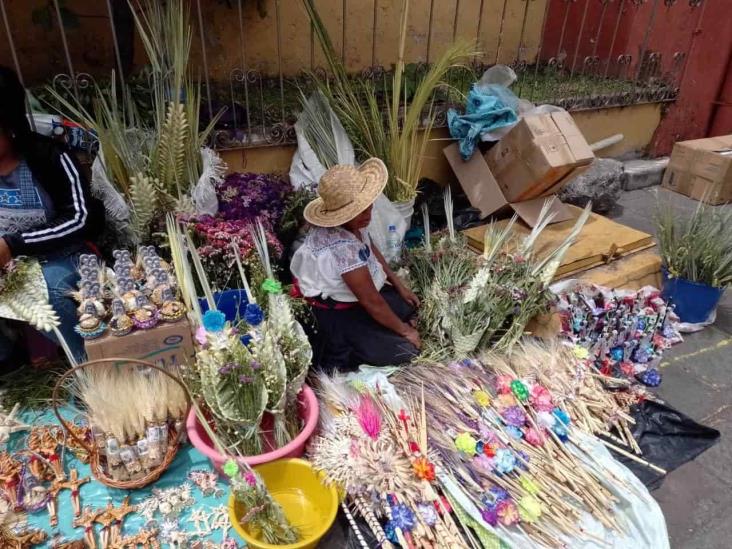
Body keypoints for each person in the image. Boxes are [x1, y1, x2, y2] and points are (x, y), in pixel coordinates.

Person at [0, 66, 104, 368]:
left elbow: (79, 218)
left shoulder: (50, 158)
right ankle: (8, 362)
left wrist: (13, 244)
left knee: (52, 292)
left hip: (62, 255)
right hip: (8, 262)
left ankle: (90, 368)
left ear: (9, 124)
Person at [291, 158, 421, 371]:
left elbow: (371, 250)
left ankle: (386, 329)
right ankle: (354, 346)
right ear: (340, 215)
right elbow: (372, 301)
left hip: (356, 300)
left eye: (369, 208)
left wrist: (399, 284)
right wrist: (406, 332)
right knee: (407, 350)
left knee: (407, 304)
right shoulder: (343, 249)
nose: (368, 216)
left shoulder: (354, 225)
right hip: (337, 315)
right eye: (361, 212)